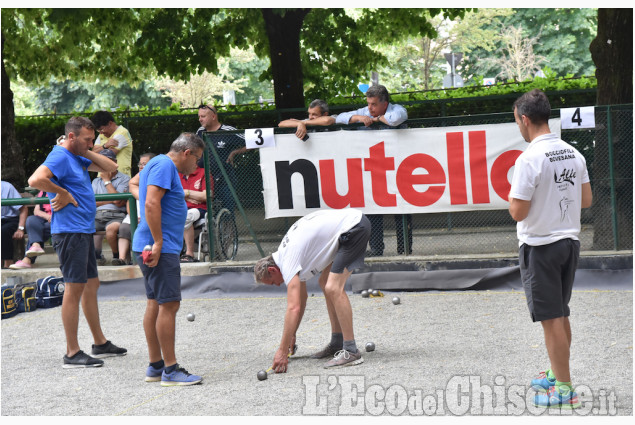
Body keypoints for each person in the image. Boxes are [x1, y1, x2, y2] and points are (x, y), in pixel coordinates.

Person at [508, 89, 593, 409]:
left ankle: (564, 388)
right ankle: (558, 375)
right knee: (560, 313)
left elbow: (517, 211)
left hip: (540, 246)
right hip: (569, 242)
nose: (518, 126)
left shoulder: (528, 158)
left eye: (517, 120)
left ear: (525, 119)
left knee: (551, 318)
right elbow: (585, 201)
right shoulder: (574, 153)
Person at [27, 116, 127, 368]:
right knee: (73, 290)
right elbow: (35, 180)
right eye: (87, 139)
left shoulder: (77, 155)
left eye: (93, 139)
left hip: (82, 229)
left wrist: (88, 149)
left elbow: (110, 167)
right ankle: (72, 353)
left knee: (90, 285)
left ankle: (100, 343)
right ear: (71, 137)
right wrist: (63, 192)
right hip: (70, 232)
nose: (92, 143)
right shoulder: (61, 156)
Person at [254, 208, 371, 371]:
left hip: (354, 227)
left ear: (272, 270)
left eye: (273, 282)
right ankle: (337, 342)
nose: (278, 285)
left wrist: (281, 351)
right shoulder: (285, 256)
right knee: (325, 282)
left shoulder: (287, 261)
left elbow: (293, 307)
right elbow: (302, 298)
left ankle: (351, 350)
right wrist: (291, 334)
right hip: (348, 226)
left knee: (333, 287)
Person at [130, 132, 204, 386]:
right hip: (159, 247)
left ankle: (156, 366)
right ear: (187, 153)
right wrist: (160, 242)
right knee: (169, 305)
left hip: (148, 244)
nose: (197, 166)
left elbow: (136, 185)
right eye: (197, 159)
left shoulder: (155, 163)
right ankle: (170, 371)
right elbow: (151, 204)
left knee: (155, 303)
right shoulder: (164, 165)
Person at [335, 84, 411, 256]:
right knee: (374, 209)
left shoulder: (397, 109)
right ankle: (376, 249)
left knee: (402, 209)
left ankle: (404, 250)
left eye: (374, 104)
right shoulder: (365, 112)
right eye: (368, 104)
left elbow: (395, 119)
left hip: (399, 169)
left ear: (385, 103)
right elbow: (340, 118)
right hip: (374, 171)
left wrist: (376, 120)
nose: (369, 108)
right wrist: (359, 118)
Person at [196, 104, 246, 214]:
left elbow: (252, 142)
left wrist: (235, 153)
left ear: (213, 116)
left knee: (228, 211)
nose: (200, 119)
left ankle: (230, 230)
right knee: (207, 211)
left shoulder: (227, 130)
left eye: (203, 116)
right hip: (205, 179)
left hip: (225, 179)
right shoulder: (200, 131)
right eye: (199, 116)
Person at [115, 153, 156, 266]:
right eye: (140, 164)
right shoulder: (135, 180)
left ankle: (143, 259)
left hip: (150, 216)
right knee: (124, 227)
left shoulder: (156, 179)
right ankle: (122, 259)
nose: (141, 167)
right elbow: (130, 201)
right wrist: (133, 216)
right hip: (134, 216)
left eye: (144, 164)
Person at [92, 149, 130, 266]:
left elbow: (119, 202)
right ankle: (94, 256)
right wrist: (112, 199)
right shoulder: (95, 181)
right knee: (82, 228)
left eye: (106, 161)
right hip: (97, 216)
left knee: (111, 231)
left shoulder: (125, 179)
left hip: (116, 215)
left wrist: (107, 181)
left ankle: (116, 256)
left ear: (114, 162)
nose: (102, 165)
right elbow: (91, 202)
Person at [9, 191, 51, 270]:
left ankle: (27, 259)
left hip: (60, 219)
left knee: (37, 231)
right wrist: (48, 217)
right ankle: (36, 245)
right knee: (31, 220)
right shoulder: (43, 191)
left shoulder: (64, 189)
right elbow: (36, 211)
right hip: (46, 219)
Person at [179, 165, 211, 262]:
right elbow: (172, 194)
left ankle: (189, 253)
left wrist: (186, 192)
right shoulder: (177, 175)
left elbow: (206, 195)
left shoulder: (203, 173)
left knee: (186, 216)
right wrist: (191, 196)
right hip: (180, 208)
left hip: (199, 209)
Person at [91, 111, 133, 177]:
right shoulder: (101, 134)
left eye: (101, 129)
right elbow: (92, 154)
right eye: (98, 130)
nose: (100, 132)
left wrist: (98, 151)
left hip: (120, 178)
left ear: (110, 123)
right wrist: (105, 146)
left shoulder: (122, 133)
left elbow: (108, 156)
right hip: (102, 177)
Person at [1, 181, 27, 269]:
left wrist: (20, 228)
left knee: (3, 231)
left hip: (9, 219)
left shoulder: (7, 187)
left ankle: (8, 263)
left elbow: (23, 209)